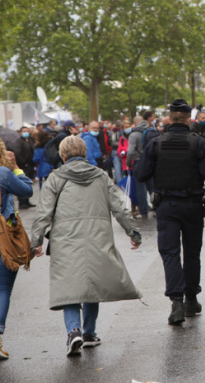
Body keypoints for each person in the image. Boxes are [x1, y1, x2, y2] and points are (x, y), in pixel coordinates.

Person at [29, 136, 142, 357]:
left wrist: (36, 242)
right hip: (97, 237)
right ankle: (89, 333)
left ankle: (74, 331)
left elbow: (44, 213)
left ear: (63, 156)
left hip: (65, 239)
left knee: (69, 287)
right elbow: (119, 207)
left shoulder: (55, 178)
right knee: (92, 283)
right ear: (85, 154)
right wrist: (133, 232)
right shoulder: (100, 176)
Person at [133, 99, 205, 325]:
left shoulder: (156, 143)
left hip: (167, 206)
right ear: (189, 119)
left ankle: (177, 302)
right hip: (192, 204)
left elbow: (140, 174)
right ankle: (191, 299)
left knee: (170, 253)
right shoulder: (198, 143)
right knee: (192, 253)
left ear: (169, 118)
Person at [0, 142, 34, 360]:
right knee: (3, 287)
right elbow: (27, 190)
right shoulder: (3, 173)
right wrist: (16, 168)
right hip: (4, 233)